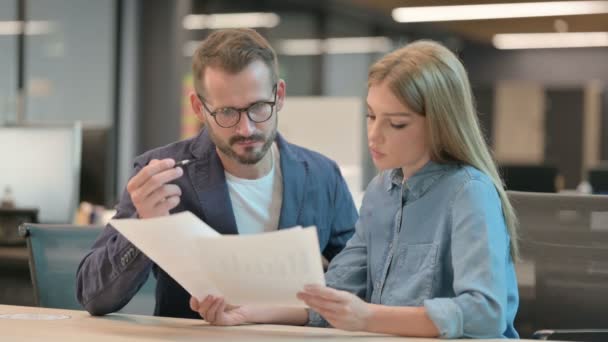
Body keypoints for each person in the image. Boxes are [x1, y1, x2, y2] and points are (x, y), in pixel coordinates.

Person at [190, 40, 520, 339]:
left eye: (397, 123)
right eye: (371, 116)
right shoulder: (381, 192)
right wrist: (247, 312)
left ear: (440, 123)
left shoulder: (469, 192)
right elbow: (335, 297)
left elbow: (485, 313)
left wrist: (367, 317)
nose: (374, 135)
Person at [76, 28, 358, 319]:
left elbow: (361, 284)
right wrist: (144, 228)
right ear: (199, 107)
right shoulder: (163, 173)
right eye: (226, 113)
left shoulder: (323, 176)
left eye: (259, 107)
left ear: (280, 95)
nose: (245, 128)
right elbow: (94, 297)